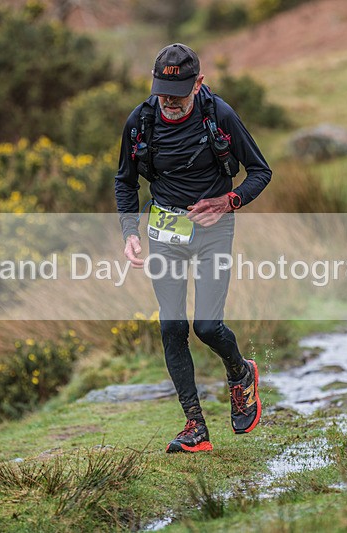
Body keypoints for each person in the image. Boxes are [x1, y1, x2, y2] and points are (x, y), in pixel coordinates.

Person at [114, 43, 272, 453]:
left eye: (179, 93)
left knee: (206, 326)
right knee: (171, 326)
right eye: (163, 92)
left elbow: (260, 171)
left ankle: (240, 374)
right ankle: (194, 426)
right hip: (164, 231)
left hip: (213, 231)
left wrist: (229, 200)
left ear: (199, 83)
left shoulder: (219, 114)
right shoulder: (141, 121)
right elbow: (125, 181)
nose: (169, 102)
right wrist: (130, 232)